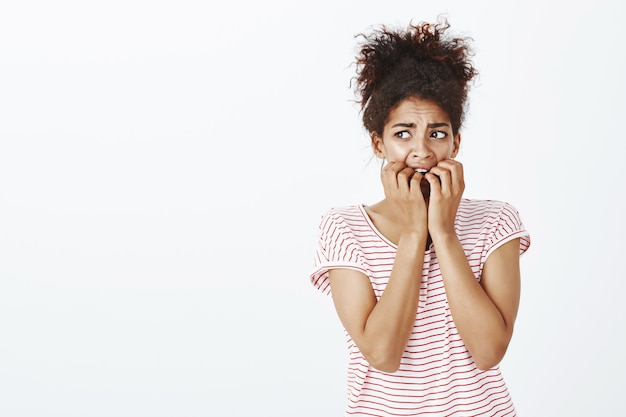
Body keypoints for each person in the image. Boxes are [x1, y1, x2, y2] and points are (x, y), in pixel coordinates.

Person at [309, 18, 531, 417]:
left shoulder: (496, 221)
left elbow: (488, 351)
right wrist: (414, 233)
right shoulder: (344, 229)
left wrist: (443, 233)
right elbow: (383, 354)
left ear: (456, 142)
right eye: (403, 133)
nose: (422, 151)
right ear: (379, 143)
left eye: (437, 133)